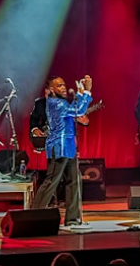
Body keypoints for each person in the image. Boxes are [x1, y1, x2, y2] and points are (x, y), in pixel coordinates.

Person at [31, 75, 92, 226]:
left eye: (64, 84)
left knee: (74, 181)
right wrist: (87, 92)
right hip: (59, 147)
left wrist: (80, 92)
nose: (63, 87)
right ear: (51, 90)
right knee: (52, 181)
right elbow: (78, 110)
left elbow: (75, 111)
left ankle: (73, 219)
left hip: (69, 146)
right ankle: (32, 215)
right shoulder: (56, 103)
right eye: (59, 86)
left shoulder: (62, 103)